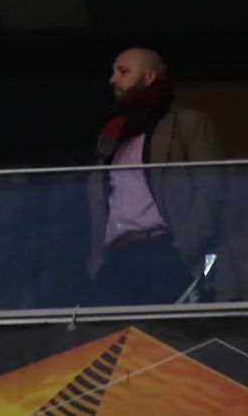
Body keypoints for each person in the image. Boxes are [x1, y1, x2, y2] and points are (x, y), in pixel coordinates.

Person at [87, 47, 223, 307]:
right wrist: (97, 260)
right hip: (116, 258)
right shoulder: (114, 132)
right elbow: (100, 196)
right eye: (114, 71)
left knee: (163, 341)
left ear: (149, 77)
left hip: (164, 249)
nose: (113, 79)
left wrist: (182, 252)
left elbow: (211, 190)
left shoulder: (188, 123)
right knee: (111, 342)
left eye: (123, 71)